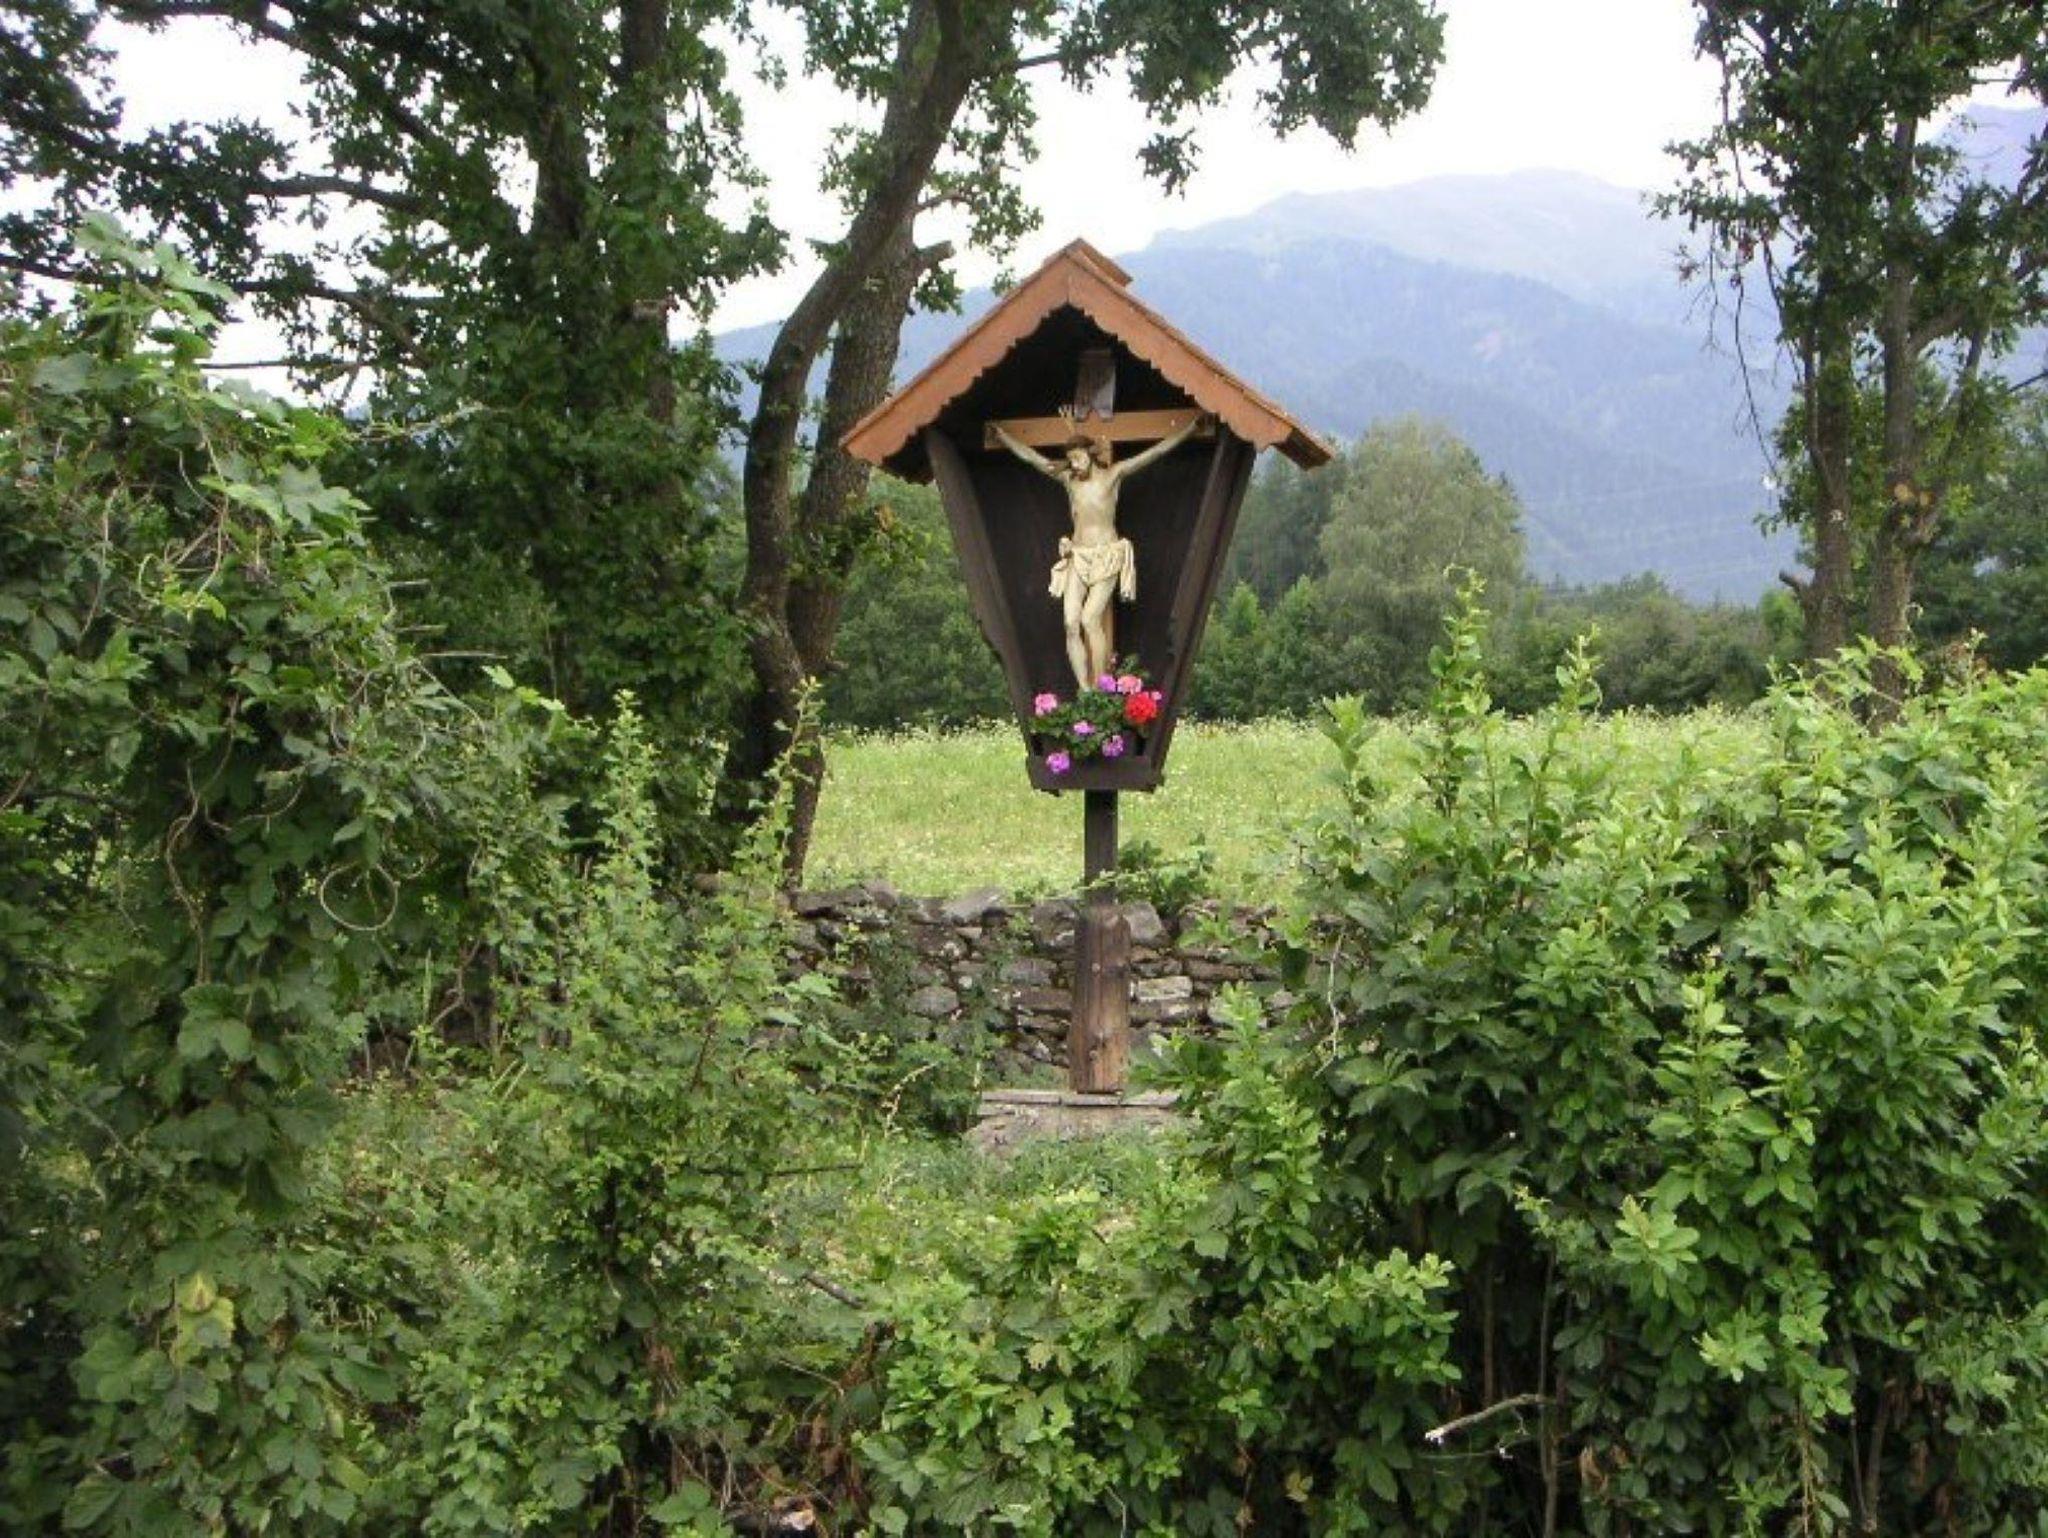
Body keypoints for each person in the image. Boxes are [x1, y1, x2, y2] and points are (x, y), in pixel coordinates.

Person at [992, 408, 1205, 687]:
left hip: (1106, 555)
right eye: (1071, 460)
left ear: (1090, 455)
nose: (1075, 464)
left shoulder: (1112, 475)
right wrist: (1004, 437)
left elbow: (1155, 453)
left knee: (1090, 619)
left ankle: (1101, 685)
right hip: (1078, 556)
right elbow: (1033, 458)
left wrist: (1189, 430)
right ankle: (1085, 689)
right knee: (1071, 623)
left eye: (1079, 458)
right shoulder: (1069, 481)